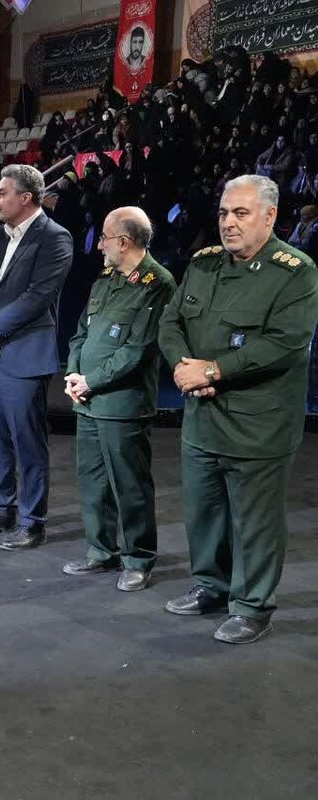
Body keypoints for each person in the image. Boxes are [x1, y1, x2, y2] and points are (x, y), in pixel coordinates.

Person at [158, 175, 318, 644]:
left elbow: (285, 343)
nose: (228, 222)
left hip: (259, 423)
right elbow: (170, 321)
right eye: (224, 213)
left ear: (270, 216)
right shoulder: (203, 263)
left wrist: (212, 371)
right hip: (202, 417)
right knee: (204, 511)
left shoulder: (295, 272)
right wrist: (184, 368)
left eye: (241, 213)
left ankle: (252, 606)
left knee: (255, 521)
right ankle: (211, 586)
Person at [0, 164, 73, 549]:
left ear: (25, 198)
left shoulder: (55, 238)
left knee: (28, 443)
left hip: (22, 356)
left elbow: (37, 298)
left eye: (1, 192)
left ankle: (32, 521)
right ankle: (0, 509)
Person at [62, 208, 176, 591]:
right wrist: (73, 373)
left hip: (122, 404)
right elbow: (81, 332)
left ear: (124, 242)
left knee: (129, 484)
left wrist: (90, 381)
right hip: (88, 401)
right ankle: (100, 551)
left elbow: (137, 350)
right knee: (92, 481)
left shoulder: (158, 284)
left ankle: (138, 559)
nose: (99, 245)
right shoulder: (105, 279)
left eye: (104, 238)